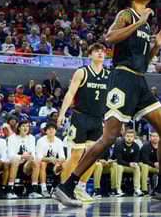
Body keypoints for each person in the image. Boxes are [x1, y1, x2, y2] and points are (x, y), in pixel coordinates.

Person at [53, 0, 161, 206]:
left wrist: (156, 46)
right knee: (110, 137)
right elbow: (110, 38)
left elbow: (142, 63)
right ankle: (66, 187)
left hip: (139, 81)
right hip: (122, 80)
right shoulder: (126, 15)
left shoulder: (145, 24)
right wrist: (140, 22)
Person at [57, 43, 109, 203]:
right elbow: (71, 93)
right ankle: (64, 188)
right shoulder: (82, 72)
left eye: (102, 52)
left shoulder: (109, 75)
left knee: (92, 157)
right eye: (96, 51)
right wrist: (62, 113)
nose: (100, 54)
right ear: (90, 55)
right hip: (80, 117)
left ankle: (80, 188)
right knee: (76, 155)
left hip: (97, 119)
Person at [7, 119, 40, 198]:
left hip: (26, 162)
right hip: (14, 161)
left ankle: (34, 190)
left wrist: (30, 156)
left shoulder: (31, 137)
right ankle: (10, 190)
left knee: (36, 162)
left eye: (27, 126)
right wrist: (22, 156)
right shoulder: (12, 137)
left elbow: (33, 153)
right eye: (23, 126)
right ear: (19, 127)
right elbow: (10, 155)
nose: (26, 128)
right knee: (15, 161)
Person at [35, 122, 66, 197]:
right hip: (43, 162)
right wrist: (49, 159)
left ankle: (61, 188)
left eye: (53, 129)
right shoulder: (41, 141)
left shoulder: (59, 141)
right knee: (43, 163)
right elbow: (39, 157)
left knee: (64, 164)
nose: (51, 130)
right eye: (49, 129)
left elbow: (62, 157)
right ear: (46, 131)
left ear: (55, 131)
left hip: (54, 162)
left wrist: (59, 161)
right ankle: (44, 188)